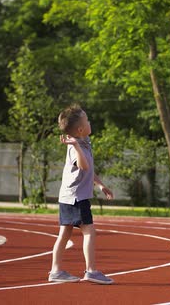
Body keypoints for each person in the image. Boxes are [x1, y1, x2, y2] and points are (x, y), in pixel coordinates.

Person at [48, 104, 115, 285]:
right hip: (76, 198)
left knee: (65, 233)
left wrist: (101, 185)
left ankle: (56, 270)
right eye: (87, 120)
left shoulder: (84, 142)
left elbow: (89, 171)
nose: (89, 121)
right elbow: (84, 166)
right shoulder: (75, 147)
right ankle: (91, 270)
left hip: (69, 196)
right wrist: (76, 146)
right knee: (89, 232)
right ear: (80, 129)